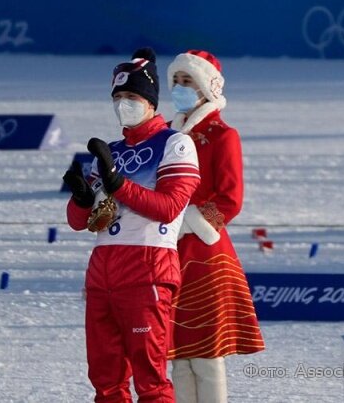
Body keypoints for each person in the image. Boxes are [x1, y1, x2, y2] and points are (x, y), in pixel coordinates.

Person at [63, 47, 200, 401]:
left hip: (147, 270)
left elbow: (169, 207)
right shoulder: (111, 151)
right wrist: (81, 200)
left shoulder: (176, 144)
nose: (123, 104)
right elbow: (79, 223)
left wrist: (118, 184)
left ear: (150, 101)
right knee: (106, 381)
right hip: (102, 274)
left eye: (132, 97)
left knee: (151, 381)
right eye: (117, 97)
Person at [164, 50, 265, 403]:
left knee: (206, 356)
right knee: (177, 356)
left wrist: (185, 221)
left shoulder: (224, 136)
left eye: (188, 80)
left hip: (206, 253)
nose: (180, 87)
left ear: (207, 87)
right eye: (176, 81)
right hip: (168, 251)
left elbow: (230, 200)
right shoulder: (164, 135)